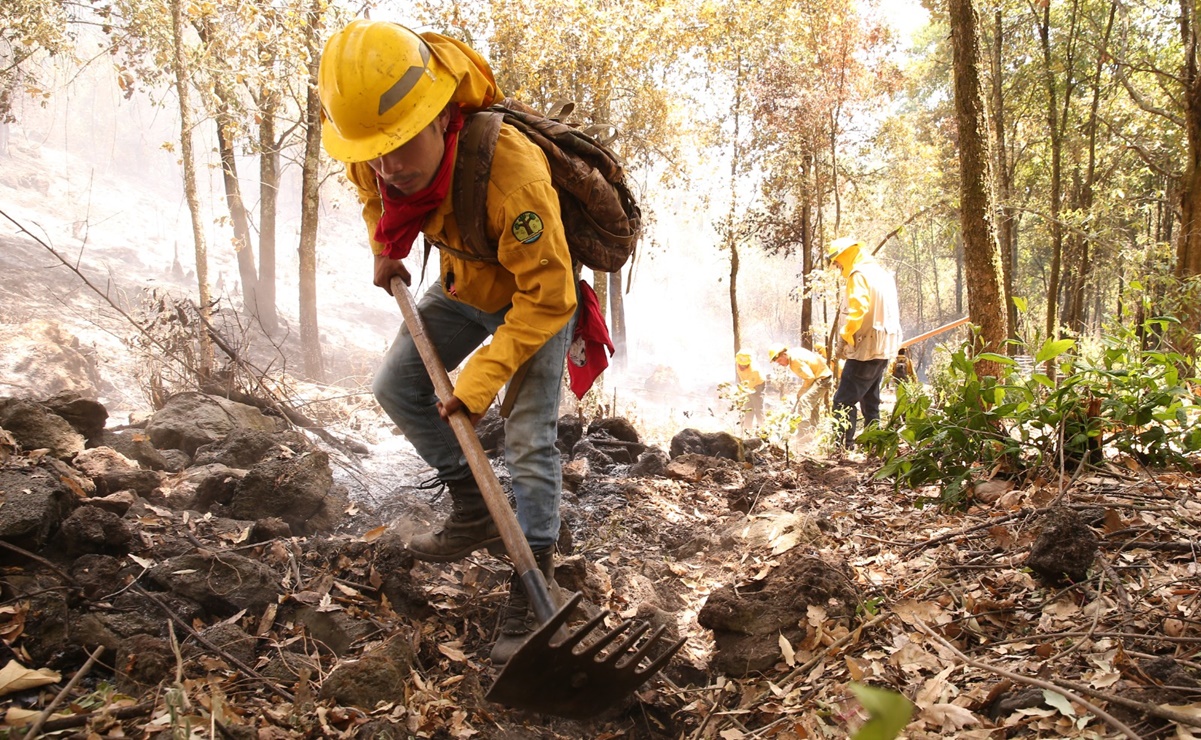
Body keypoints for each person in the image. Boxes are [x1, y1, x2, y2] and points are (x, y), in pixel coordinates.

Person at [317, 20, 578, 663]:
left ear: (441, 117)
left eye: (402, 147)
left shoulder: (511, 176)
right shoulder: (373, 144)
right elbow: (367, 188)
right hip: (464, 285)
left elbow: (551, 295)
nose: (389, 165)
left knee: (527, 438)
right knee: (393, 386)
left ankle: (536, 570)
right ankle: (475, 504)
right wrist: (386, 247)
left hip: (531, 303)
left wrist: (485, 375)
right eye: (377, 150)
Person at [827, 236, 903, 448]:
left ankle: (842, 447)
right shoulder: (882, 275)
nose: (837, 265)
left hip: (866, 348)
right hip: (884, 347)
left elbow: (858, 308)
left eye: (837, 261)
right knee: (870, 400)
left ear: (845, 254)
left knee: (843, 401)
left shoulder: (858, 274)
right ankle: (874, 444)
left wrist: (846, 335)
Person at [768, 344, 833, 428]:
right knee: (813, 405)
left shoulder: (794, 361)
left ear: (784, 354)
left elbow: (809, 378)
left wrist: (801, 392)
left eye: (780, 360)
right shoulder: (795, 351)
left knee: (804, 400)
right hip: (822, 376)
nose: (780, 364)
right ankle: (813, 429)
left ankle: (803, 431)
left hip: (822, 379)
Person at [734, 350, 766, 431]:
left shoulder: (754, 370)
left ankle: (763, 429)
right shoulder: (738, 364)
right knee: (748, 408)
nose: (743, 366)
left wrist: (741, 394)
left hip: (757, 385)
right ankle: (747, 429)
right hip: (747, 386)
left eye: (745, 364)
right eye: (742, 364)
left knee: (758, 408)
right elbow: (742, 379)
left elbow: (750, 387)